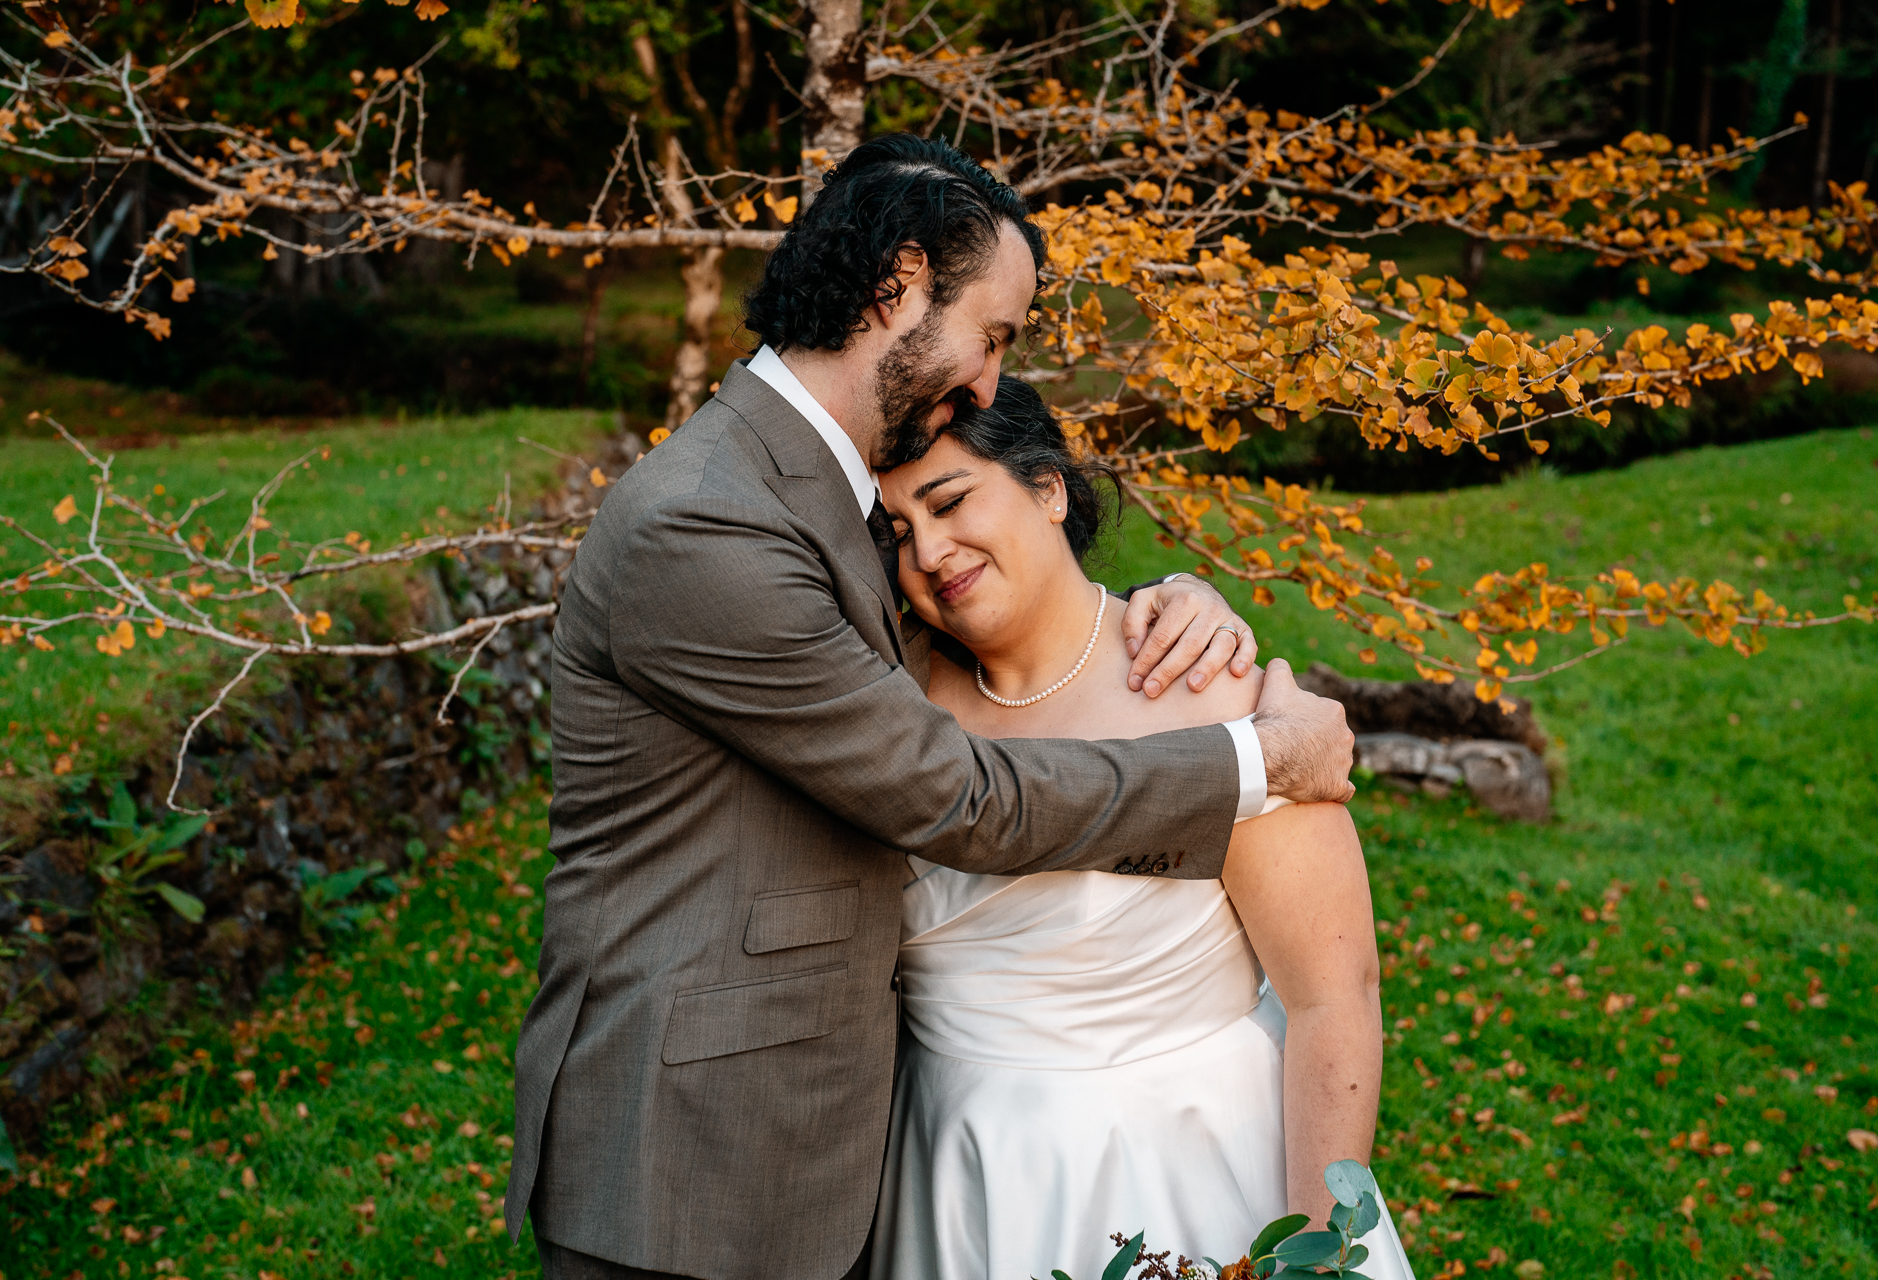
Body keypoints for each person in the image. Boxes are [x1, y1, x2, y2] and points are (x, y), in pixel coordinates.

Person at [504, 133, 1357, 1280]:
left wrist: (1172, 602)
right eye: (992, 334)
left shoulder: (823, 495)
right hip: (697, 1160)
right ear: (899, 283)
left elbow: (1020, 613)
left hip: (867, 1147)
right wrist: (1256, 758)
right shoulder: (708, 521)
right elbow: (953, 792)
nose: (993, 379)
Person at [869, 377, 1414, 1280]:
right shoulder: (888, 700)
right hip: (950, 1179)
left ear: (1047, 489)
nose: (929, 552)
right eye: (897, 534)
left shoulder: (1219, 694)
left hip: (1185, 1167)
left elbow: (1335, 999)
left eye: (951, 501)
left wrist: (1319, 1249)